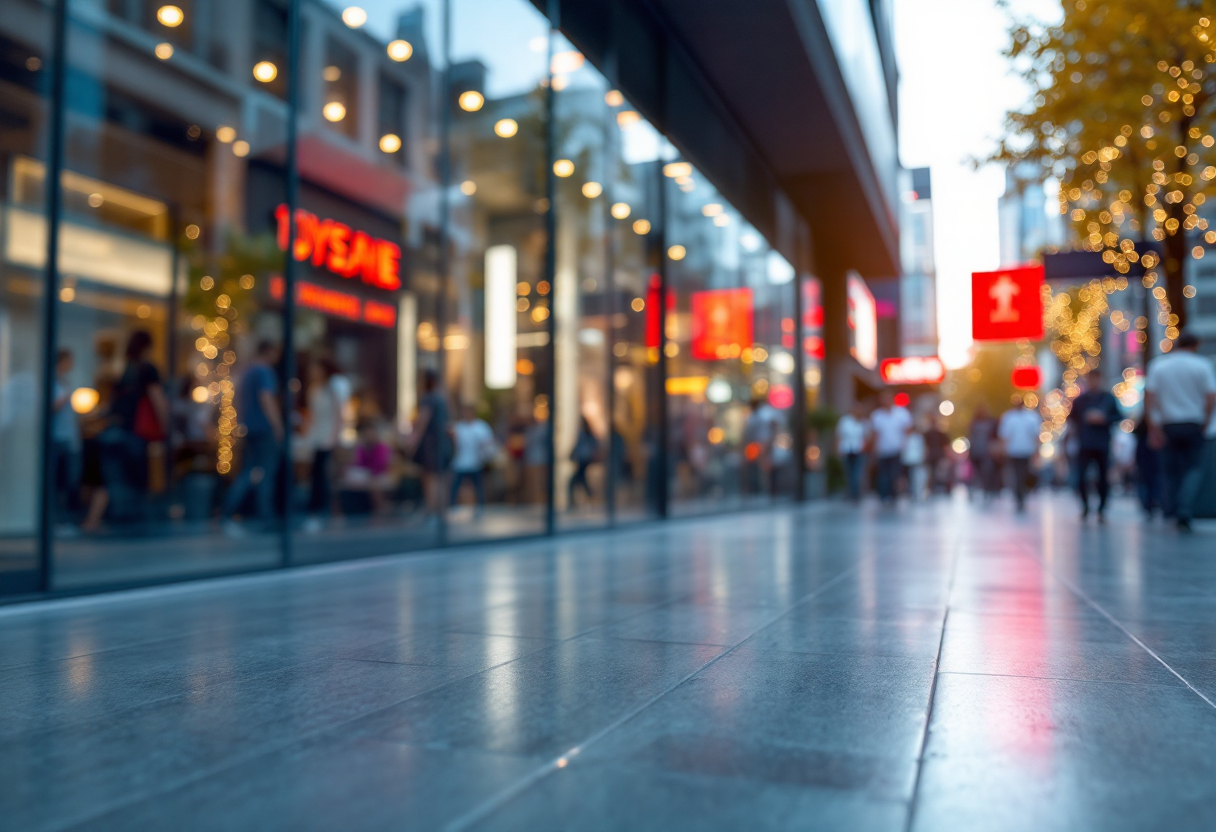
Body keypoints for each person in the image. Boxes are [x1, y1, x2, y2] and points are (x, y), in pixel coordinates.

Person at [84, 331, 168, 528]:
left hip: (112, 430)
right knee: (136, 480)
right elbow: (158, 401)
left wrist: (92, 418)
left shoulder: (119, 369)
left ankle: (98, 520)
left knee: (110, 480)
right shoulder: (147, 369)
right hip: (134, 433)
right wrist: (167, 427)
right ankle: (131, 524)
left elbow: (110, 404)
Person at [1144, 331, 1216, 532]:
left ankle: (1173, 508)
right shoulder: (1202, 365)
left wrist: (1153, 426)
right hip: (1194, 423)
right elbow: (1211, 396)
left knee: (1170, 470)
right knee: (1194, 468)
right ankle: (1185, 508)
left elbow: (1149, 397)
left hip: (1169, 424)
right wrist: (1207, 420)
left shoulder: (1159, 365)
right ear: (1196, 345)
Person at [222, 340, 283, 534]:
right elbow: (267, 399)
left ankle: (227, 511)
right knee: (266, 472)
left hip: (249, 427)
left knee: (248, 471)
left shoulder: (246, 372)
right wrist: (278, 426)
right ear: (270, 351)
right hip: (264, 429)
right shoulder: (264, 371)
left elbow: (238, 401)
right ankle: (266, 516)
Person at [1067, 369, 1122, 521]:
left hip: (1103, 443)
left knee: (1103, 477)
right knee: (1081, 476)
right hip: (1084, 443)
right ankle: (1085, 506)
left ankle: (1102, 508)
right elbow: (1071, 420)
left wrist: (1104, 419)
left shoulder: (1108, 399)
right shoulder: (1080, 400)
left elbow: (1119, 416)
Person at [302, 358, 347, 530]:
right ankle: (319, 512)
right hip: (317, 437)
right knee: (317, 475)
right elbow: (312, 416)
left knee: (323, 476)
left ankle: (322, 512)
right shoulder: (314, 389)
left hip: (328, 438)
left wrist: (334, 438)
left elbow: (338, 415)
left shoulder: (333, 387)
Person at [409, 368, 449, 521]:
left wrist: (412, 441)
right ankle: (441, 510)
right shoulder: (443, 399)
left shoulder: (429, 399)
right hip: (441, 442)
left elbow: (422, 422)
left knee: (430, 477)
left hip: (431, 443)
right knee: (440, 477)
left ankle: (432, 510)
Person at [50, 349, 81, 518]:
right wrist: (66, 396)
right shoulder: (52, 382)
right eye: (69, 360)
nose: (72, 364)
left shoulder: (65, 382)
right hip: (57, 437)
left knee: (71, 479)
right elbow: (52, 408)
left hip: (69, 436)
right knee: (59, 480)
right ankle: (58, 518)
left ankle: (66, 518)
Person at [450, 404, 495, 513]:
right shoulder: (458, 427)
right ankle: (453, 507)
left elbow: (488, 443)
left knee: (478, 486)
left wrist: (486, 456)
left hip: (476, 462)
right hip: (460, 462)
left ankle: (480, 507)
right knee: (456, 486)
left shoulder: (481, 426)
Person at [998, 399, 1042, 512]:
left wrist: (1037, 451)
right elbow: (1005, 436)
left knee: (1023, 474)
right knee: (1017, 475)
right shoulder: (1009, 417)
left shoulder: (1030, 417)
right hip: (1014, 451)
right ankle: (1019, 496)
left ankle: (1022, 494)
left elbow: (1035, 436)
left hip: (1026, 451)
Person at [869, 391, 912, 503]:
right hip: (882, 450)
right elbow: (875, 434)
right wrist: (874, 448)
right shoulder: (877, 415)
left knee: (895, 473)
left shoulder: (901, 413)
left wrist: (904, 443)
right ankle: (884, 495)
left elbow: (907, 430)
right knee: (883, 474)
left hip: (896, 449)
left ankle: (893, 495)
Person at [835, 401, 868, 502]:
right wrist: (837, 449)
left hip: (859, 451)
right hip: (846, 450)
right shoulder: (844, 421)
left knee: (857, 473)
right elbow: (839, 436)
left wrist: (864, 447)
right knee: (848, 473)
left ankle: (856, 494)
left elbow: (866, 437)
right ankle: (850, 493)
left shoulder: (863, 422)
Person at [968, 404, 998, 501]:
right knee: (983, 472)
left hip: (982, 451)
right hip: (982, 451)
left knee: (983, 472)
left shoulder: (975, 424)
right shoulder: (987, 424)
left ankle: (984, 490)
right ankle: (983, 490)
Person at [568, 415, 600, 508]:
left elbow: (579, 445)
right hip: (584, 458)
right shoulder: (586, 433)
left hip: (584, 458)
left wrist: (573, 454)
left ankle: (575, 501)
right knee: (581, 479)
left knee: (575, 480)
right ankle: (590, 498)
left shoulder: (585, 433)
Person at [902, 419, 928, 501]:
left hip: (914, 459)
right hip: (910, 460)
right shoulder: (908, 437)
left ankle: (915, 492)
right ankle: (912, 492)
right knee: (910, 477)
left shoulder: (917, 438)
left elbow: (921, 448)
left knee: (915, 476)